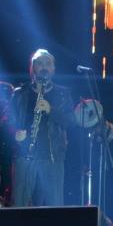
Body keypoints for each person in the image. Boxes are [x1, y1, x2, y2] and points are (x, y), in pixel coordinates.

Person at [8, 49, 76, 207]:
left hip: (52, 158)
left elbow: (70, 121)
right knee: (18, 206)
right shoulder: (20, 93)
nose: (44, 67)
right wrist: (14, 132)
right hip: (25, 156)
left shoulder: (63, 94)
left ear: (53, 69)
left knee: (55, 208)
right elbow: (7, 120)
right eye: (39, 63)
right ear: (32, 68)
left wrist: (51, 110)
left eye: (48, 63)